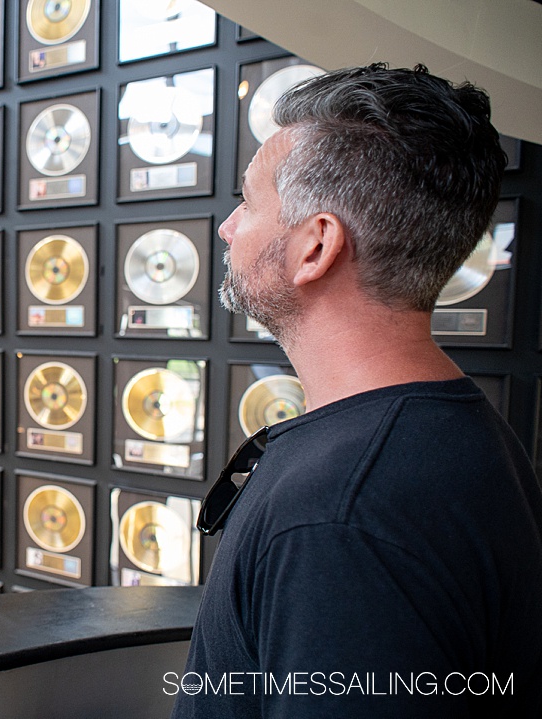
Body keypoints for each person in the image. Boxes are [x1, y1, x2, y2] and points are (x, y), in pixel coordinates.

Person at [170, 64, 542, 717]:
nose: (229, 227)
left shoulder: (339, 520)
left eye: (249, 202)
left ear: (316, 245)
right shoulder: (461, 432)